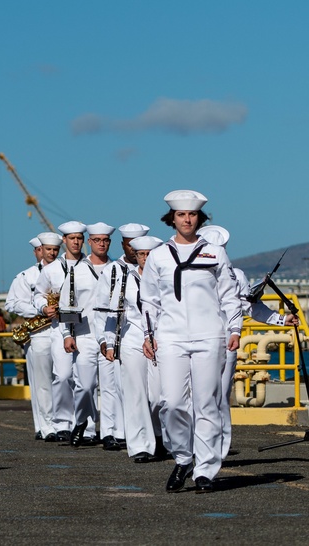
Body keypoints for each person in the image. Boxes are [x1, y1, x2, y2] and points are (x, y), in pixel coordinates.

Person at [141, 190, 242, 494]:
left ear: (200, 218)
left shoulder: (215, 253)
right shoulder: (158, 255)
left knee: (206, 404)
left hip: (210, 334)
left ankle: (206, 470)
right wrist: (149, 334)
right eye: (181, 215)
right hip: (170, 336)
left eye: (192, 214)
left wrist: (234, 328)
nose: (187, 219)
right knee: (170, 402)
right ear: (171, 219)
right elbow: (148, 300)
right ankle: (183, 457)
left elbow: (228, 294)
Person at [195, 224, 299, 461]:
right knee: (194, 395)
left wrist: (281, 319)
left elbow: (251, 308)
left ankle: (217, 449)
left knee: (219, 395)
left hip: (226, 340)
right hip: (194, 338)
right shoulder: (187, 273)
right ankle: (197, 444)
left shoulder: (236, 276)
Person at [94, 233, 167, 463]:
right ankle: (141, 447)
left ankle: (160, 436)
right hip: (132, 339)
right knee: (135, 394)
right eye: (141, 254)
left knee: (159, 395)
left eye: (149, 254)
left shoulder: (166, 279)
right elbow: (111, 313)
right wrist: (107, 342)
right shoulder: (125, 279)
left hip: (162, 341)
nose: (145, 258)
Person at [35, 221, 101, 446]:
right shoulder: (51, 269)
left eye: (80, 238)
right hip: (59, 329)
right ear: (64, 241)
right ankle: (62, 423)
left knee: (86, 382)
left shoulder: (91, 266)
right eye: (72, 238)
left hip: (86, 330)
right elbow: (38, 295)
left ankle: (88, 426)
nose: (76, 242)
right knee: (62, 376)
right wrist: (44, 308)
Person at [6, 232, 61, 441]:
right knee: (42, 382)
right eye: (45, 249)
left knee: (63, 379)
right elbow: (11, 303)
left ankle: (62, 423)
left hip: (62, 330)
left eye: (54, 249)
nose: (50, 253)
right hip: (39, 332)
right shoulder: (26, 276)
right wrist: (38, 310)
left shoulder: (65, 271)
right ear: (37, 251)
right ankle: (45, 426)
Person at [80, 222, 124, 451]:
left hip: (108, 334)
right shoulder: (77, 269)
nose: (101, 244)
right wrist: (68, 334)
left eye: (105, 240)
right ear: (90, 242)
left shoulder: (117, 269)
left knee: (109, 386)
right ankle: (85, 427)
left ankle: (109, 433)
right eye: (97, 240)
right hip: (85, 335)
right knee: (85, 386)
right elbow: (69, 304)